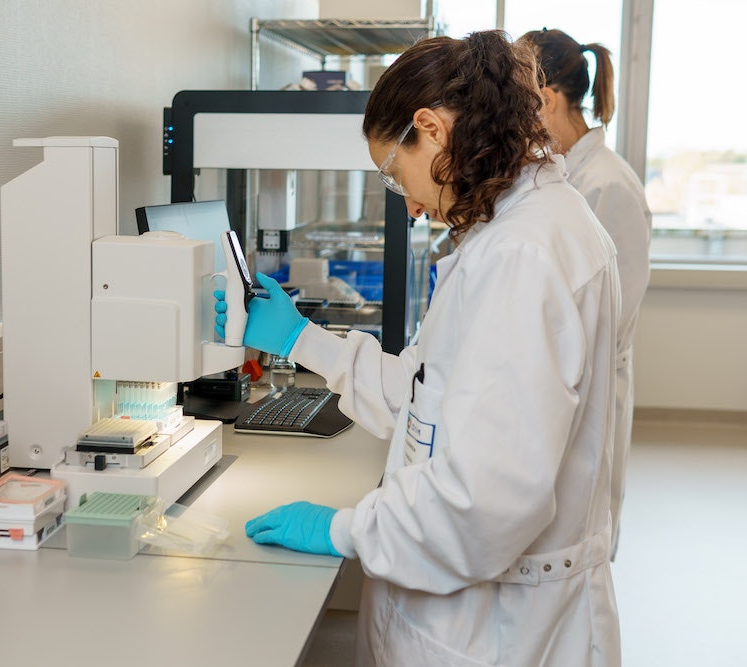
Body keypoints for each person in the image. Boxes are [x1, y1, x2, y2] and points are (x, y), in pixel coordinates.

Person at [215, 31, 622, 666]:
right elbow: (424, 395)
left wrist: (344, 529)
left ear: (430, 129)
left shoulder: (522, 256)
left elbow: (485, 501)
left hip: (496, 626)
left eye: (393, 171)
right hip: (475, 610)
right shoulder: (510, 231)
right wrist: (304, 340)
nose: (406, 203)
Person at [519, 28, 652, 558]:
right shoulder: (565, 175)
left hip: (585, 393)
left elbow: (609, 319)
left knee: (577, 545)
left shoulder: (607, 186)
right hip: (556, 388)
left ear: (547, 100)